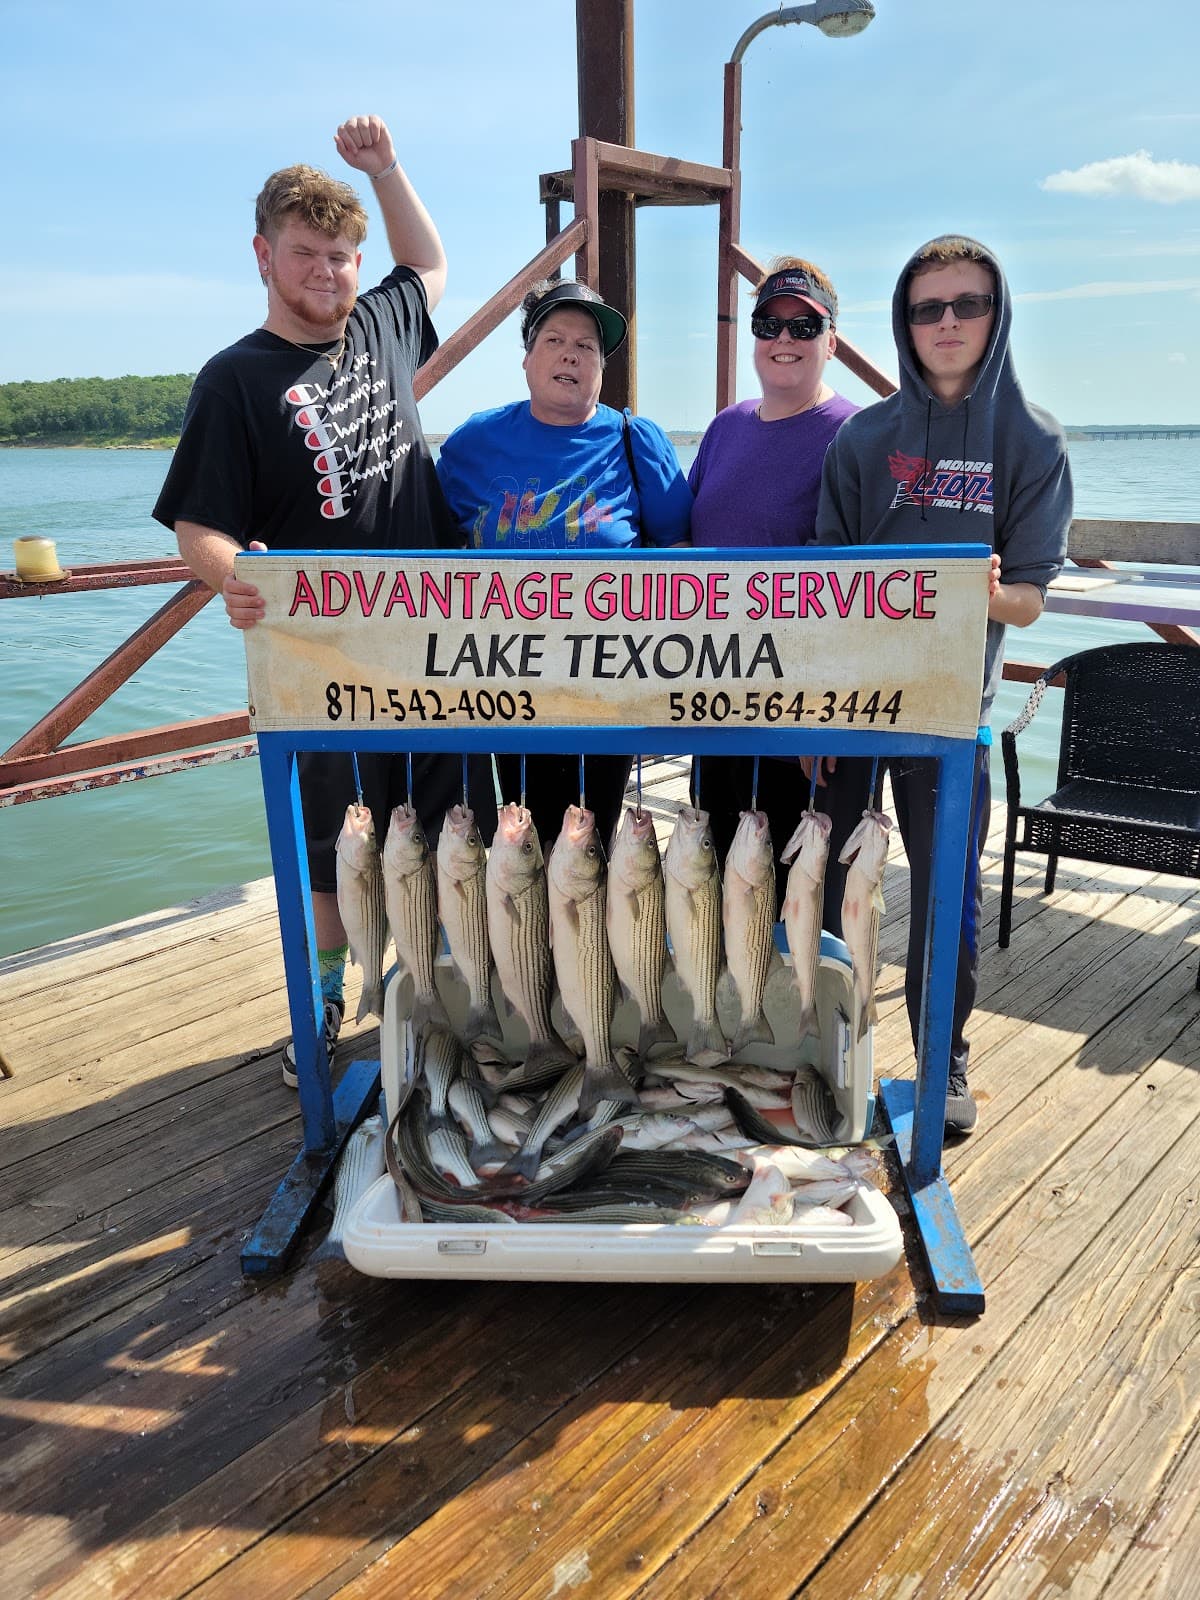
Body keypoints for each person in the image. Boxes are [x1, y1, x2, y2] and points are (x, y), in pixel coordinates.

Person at [153, 114, 491, 1084]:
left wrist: (386, 171)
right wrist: (237, 578)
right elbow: (197, 528)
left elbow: (427, 260)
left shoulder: (384, 321)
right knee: (331, 849)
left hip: (438, 648)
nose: (331, 272)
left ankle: (444, 1000)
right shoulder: (233, 379)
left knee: (445, 833)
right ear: (265, 254)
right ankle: (328, 1001)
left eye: (344, 255)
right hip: (320, 661)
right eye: (308, 253)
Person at [815, 234, 1072, 1135]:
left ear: (997, 317)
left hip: (953, 714)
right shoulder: (863, 436)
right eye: (929, 308)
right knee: (824, 881)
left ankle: (942, 1052)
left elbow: (1033, 601)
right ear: (904, 324)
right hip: (850, 709)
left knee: (945, 895)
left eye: (968, 305)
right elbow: (824, 580)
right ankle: (822, 1044)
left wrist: (990, 593)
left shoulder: (1031, 438)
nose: (949, 323)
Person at [436, 278, 692, 849]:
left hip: (608, 679)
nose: (572, 354)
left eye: (589, 347)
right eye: (555, 339)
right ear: (527, 358)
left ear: (602, 367)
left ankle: (592, 939)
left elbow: (680, 554)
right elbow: (429, 549)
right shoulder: (472, 443)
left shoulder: (635, 439)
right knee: (521, 836)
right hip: (505, 678)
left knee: (591, 837)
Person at [687, 258, 858, 911]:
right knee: (715, 887)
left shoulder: (853, 434)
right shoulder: (726, 426)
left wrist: (824, 720)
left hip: (796, 715)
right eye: (769, 324)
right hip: (712, 698)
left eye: (803, 326)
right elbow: (683, 546)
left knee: (791, 900)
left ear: (831, 341)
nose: (784, 338)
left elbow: (862, 593)